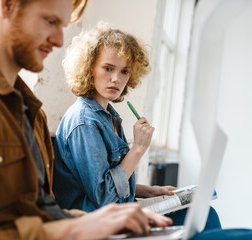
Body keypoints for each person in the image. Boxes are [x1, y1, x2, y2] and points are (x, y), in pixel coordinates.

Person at [0, 0, 174, 239]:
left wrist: (104, 222)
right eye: (49, 21)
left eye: (62, 25)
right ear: (7, 5)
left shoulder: (31, 112)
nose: (58, 39)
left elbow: (43, 214)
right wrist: (75, 230)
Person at [53, 22, 176, 212]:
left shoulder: (109, 116)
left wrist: (148, 191)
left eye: (124, 71)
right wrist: (138, 149)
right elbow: (103, 196)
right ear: (89, 68)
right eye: (108, 68)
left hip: (119, 213)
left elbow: (111, 182)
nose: (116, 79)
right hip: (94, 224)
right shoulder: (85, 122)